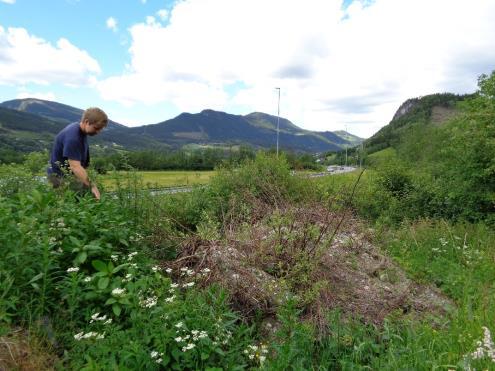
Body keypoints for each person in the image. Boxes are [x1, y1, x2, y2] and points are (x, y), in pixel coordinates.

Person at [47, 107, 108, 200]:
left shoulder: (80, 131)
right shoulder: (73, 137)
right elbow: (75, 166)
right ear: (87, 122)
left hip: (69, 176)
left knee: (80, 201)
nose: (98, 132)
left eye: (100, 129)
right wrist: (92, 186)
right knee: (64, 205)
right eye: (96, 128)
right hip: (59, 178)